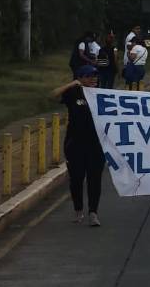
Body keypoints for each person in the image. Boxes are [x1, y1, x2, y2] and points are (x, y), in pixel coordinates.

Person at [51, 66, 105, 226]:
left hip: (96, 145)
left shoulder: (102, 94)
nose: (93, 79)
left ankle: (93, 213)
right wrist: (71, 84)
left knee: (94, 180)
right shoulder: (73, 93)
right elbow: (53, 95)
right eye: (89, 76)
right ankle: (78, 210)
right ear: (80, 77)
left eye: (95, 75)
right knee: (76, 179)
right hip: (75, 144)